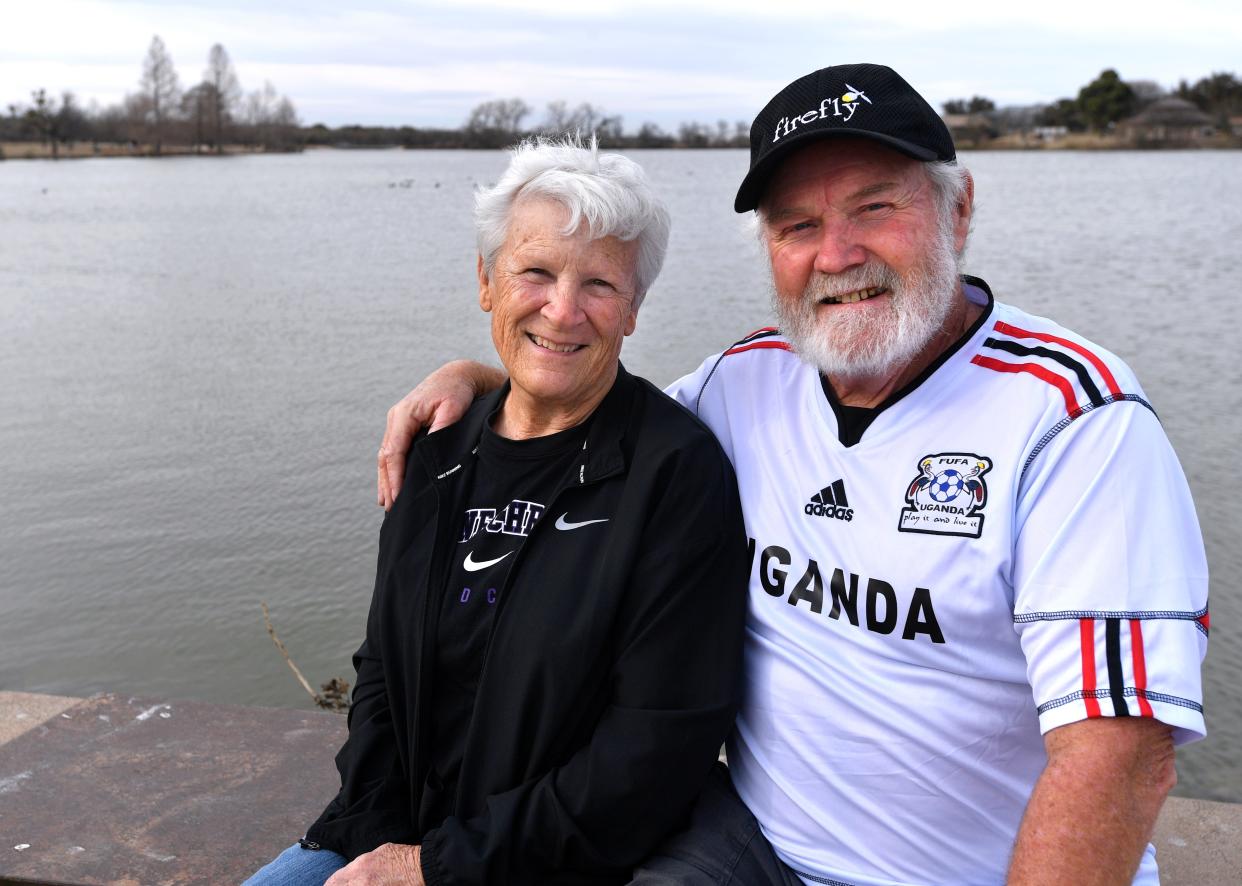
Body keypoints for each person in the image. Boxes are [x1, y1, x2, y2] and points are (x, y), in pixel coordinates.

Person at [375, 64, 1209, 885]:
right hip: (751, 846)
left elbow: (1123, 758)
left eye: (875, 207)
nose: (836, 254)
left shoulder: (1072, 420)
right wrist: (476, 378)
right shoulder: (746, 382)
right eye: (796, 226)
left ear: (958, 210)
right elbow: (580, 392)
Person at [246, 138, 750, 886]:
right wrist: (380, 840)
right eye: (535, 272)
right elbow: (382, 666)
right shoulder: (438, 449)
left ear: (635, 309)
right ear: (486, 280)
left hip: (558, 864)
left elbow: (657, 746)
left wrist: (438, 869)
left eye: (600, 284)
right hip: (396, 834)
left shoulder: (675, 474)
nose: (563, 309)